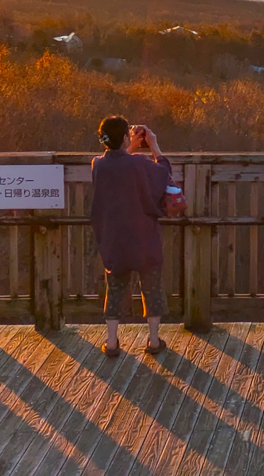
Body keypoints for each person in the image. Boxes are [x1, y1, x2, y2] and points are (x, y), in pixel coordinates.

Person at [90, 116, 173, 357]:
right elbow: (163, 174)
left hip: (114, 239)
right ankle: (154, 341)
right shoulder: (139, 164)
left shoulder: (98, 164)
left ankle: (112, 342)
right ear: (125, 136)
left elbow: (115, 161)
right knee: (152, 287)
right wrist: (154, 145)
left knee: (115, 288)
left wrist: (128, 146)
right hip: (143, 235)